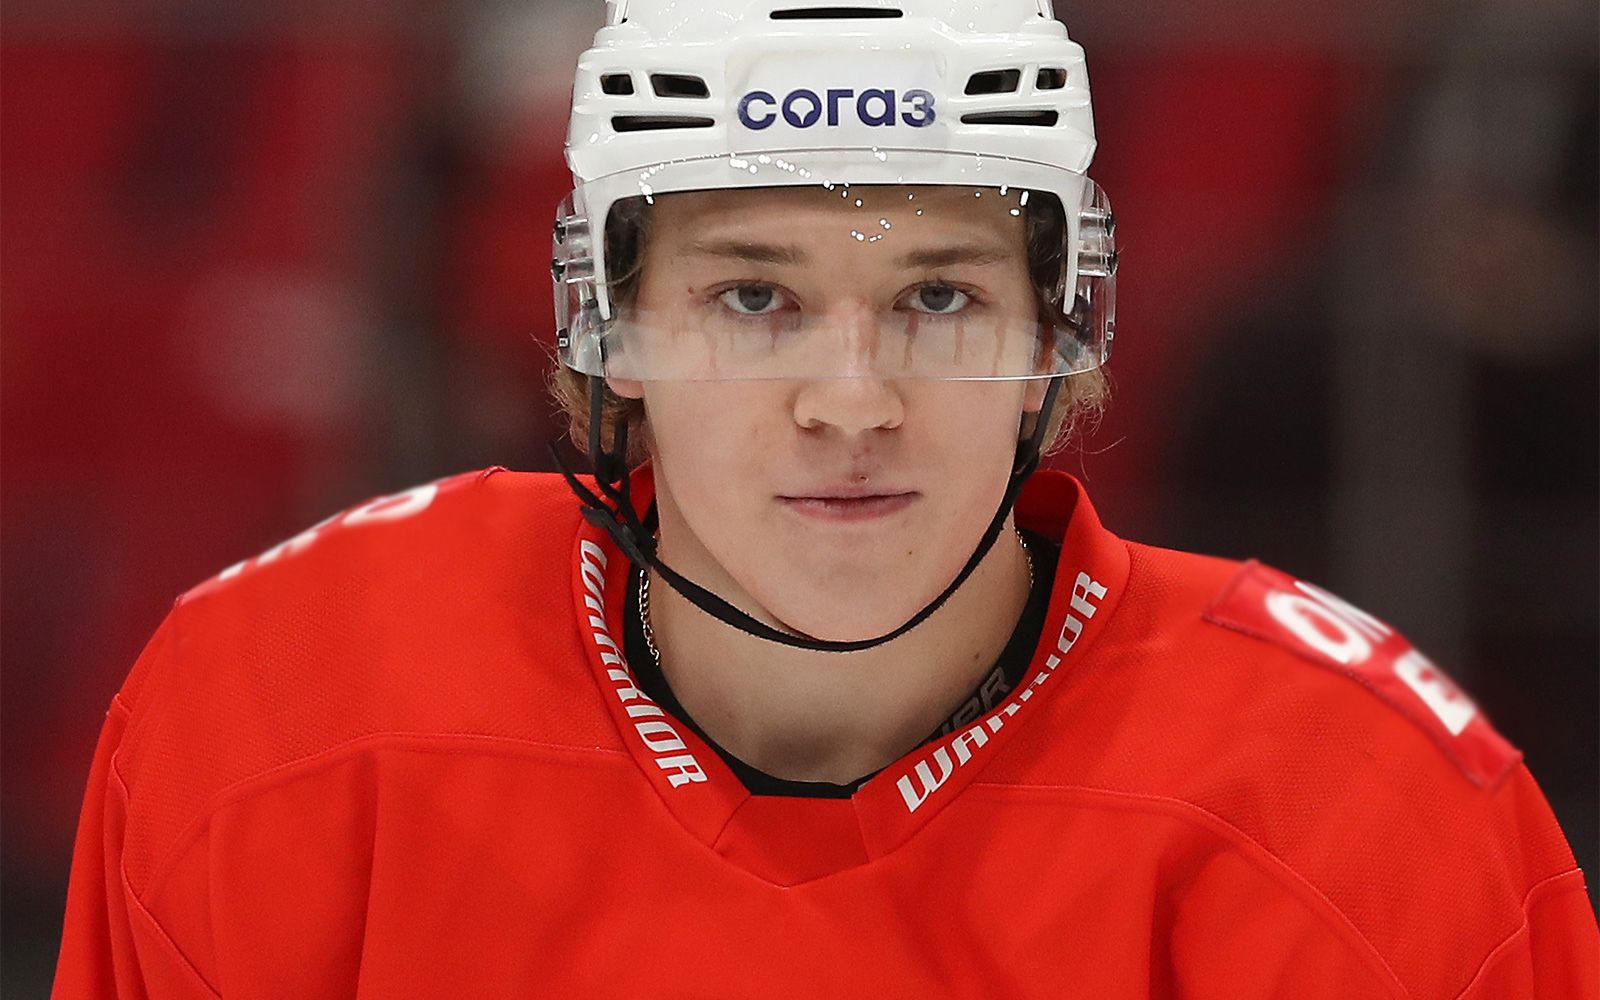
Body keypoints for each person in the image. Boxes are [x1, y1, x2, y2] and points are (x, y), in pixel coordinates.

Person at [52, 1, 1597, 996]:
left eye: (938, 297)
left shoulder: (1358, 810)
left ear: (1064, 334)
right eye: (754, 299)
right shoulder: (280, 716)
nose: (852, 401)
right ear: (607, 330)